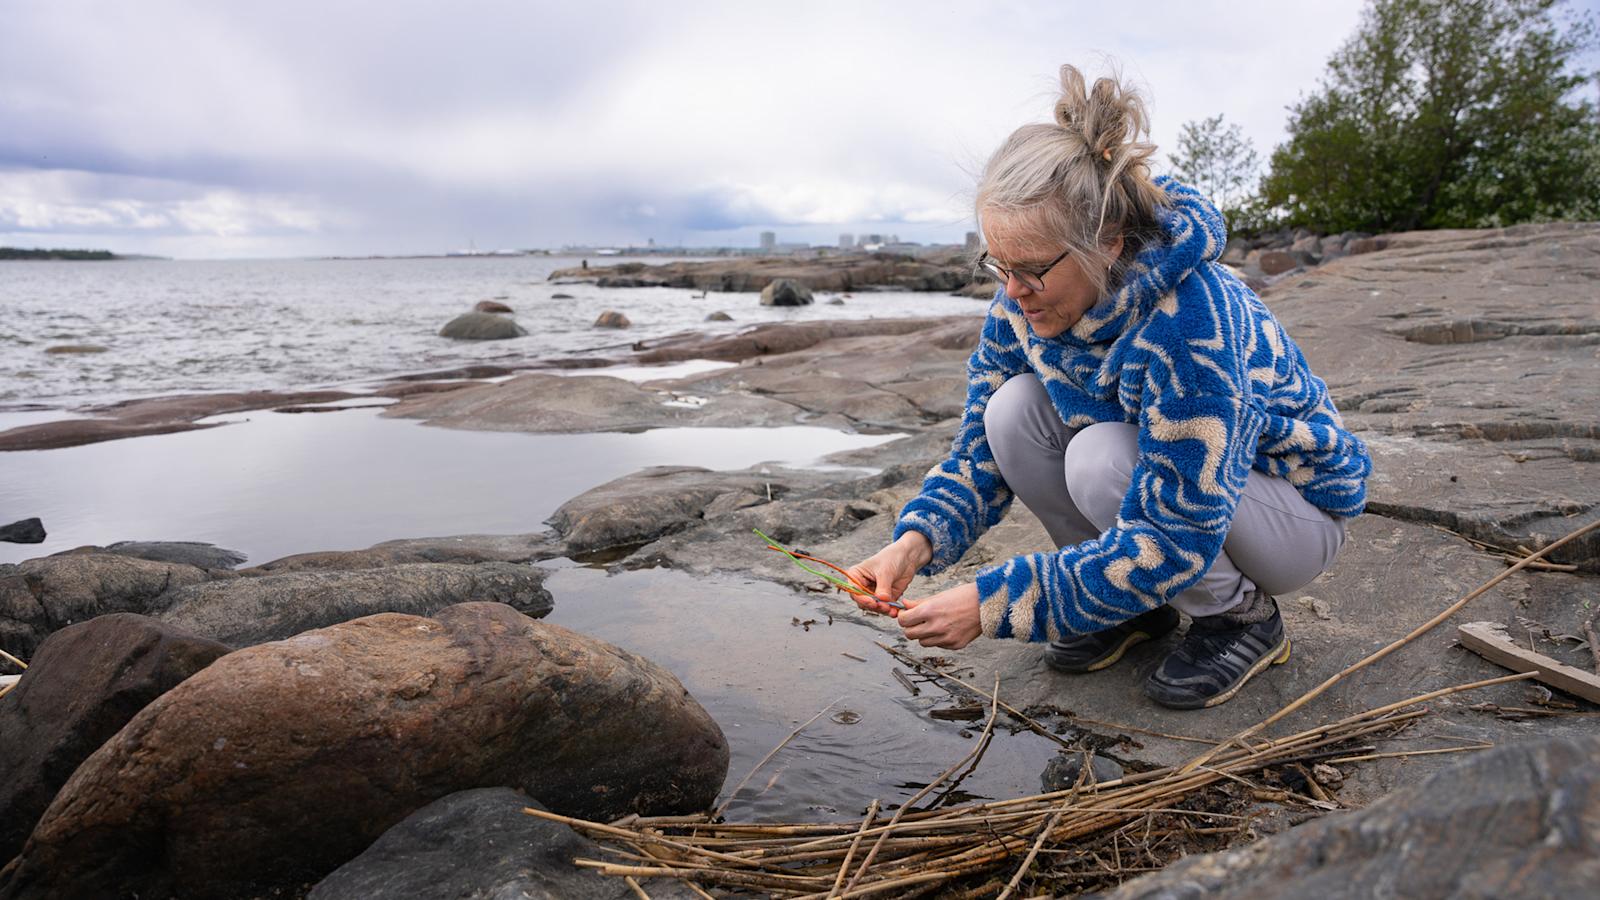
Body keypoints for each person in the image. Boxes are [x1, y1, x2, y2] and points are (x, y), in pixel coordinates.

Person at [845, 65, 1371, 710]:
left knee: (1102, 459)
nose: (1011, 292)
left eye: (1032, 269)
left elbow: (1176, 531)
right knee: (1010, 412)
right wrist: (915, 543)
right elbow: (979, 450)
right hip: (1172, 495)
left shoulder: (1194, 320)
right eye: (997, 265)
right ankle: (1125, 607)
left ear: (1107, 243)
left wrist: (997, 603)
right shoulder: (1021, 305)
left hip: (1288, 512)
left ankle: (1239, 617)